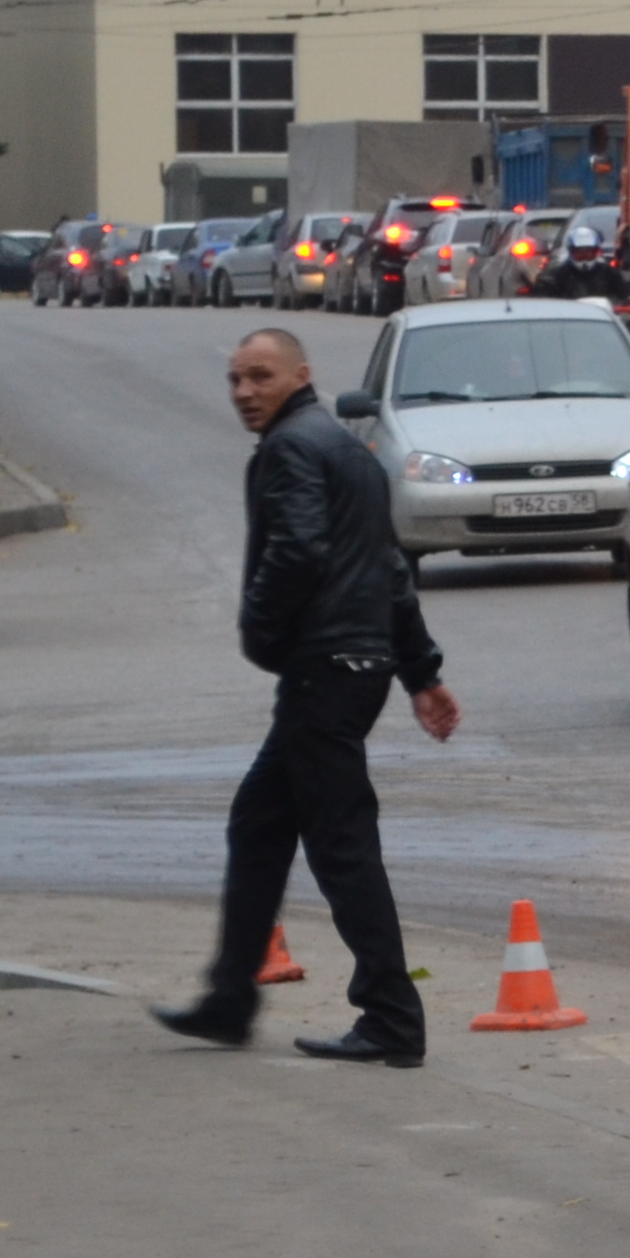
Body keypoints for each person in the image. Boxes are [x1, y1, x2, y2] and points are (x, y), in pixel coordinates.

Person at [151, 326, 462, 1065]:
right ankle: (231, 998)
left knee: (341, 845)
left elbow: (296, 550)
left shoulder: (293, 449)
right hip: (356, 668)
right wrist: (419, 673)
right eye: (234, 379)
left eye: (260, 377)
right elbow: (389, 571)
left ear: (300, 375)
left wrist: (260, 633)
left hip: (326, 671)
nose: (244, 393)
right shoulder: (350, 453)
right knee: (260, 823)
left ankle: (391, 1017)